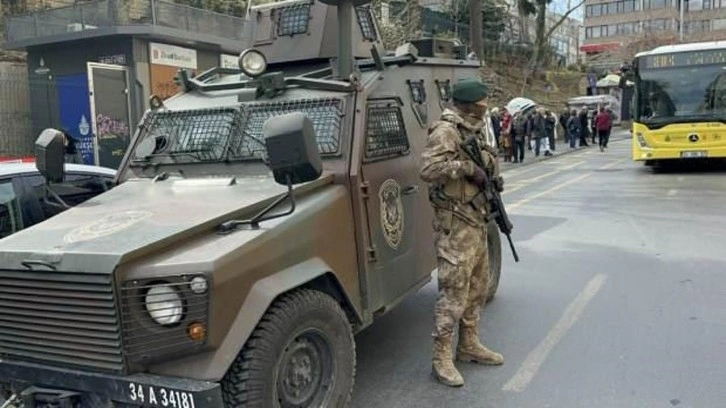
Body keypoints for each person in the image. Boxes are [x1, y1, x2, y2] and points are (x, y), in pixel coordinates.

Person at [420, 77, 505, 388]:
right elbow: (428, 170)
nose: (485, 108)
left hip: (476, 220)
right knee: (453, 294)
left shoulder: (472, 129)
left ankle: (468, 345)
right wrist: (468, 169)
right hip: (455, 226)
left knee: (477, 288)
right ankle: (441, 357)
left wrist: (491, 177)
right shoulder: (446, 131)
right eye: (482, 104)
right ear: (471, 105)